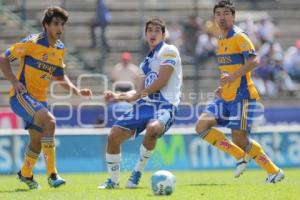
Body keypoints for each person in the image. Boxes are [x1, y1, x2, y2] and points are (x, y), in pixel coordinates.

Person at [0, 7, 93, 189]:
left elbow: (59, 76)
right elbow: (3, 58)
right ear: (46, 25)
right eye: (56, 24)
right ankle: (52, 175)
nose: (60, 28)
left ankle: (26, 174)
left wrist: (77, 90)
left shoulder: (59, 48)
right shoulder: (33, 42)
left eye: (62, 24)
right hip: (21, 96)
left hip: (39, 100)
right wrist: (14, 82)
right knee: (50, 122)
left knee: (36, 140)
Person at [194, 0, 284, 183]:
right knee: (201, 126)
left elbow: (254, 61)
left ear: (233, 16)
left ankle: (274, 171)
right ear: (214, 17)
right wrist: (224, 84)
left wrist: (233, 77)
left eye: (226, 13)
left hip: (241, 95)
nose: (222, 17)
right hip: (225, 95)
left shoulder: (240, 36)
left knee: (240, 138)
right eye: (218, 13)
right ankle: (240, 156)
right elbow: (228, 67)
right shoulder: (220, 38)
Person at [98, 17, 182, 189]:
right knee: (113, 135)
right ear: (145, 34)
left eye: (157, 30)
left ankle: (137, 172)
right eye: (149, 30)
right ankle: (113, 181)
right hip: (144, 105)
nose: (153, 33)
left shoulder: (169, 50)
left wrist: (138, 94)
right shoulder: (145, 62)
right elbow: (137, 92)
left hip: (165, 106)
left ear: (164, 34)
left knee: (153, 129)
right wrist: (118, 95)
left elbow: (162, 81)